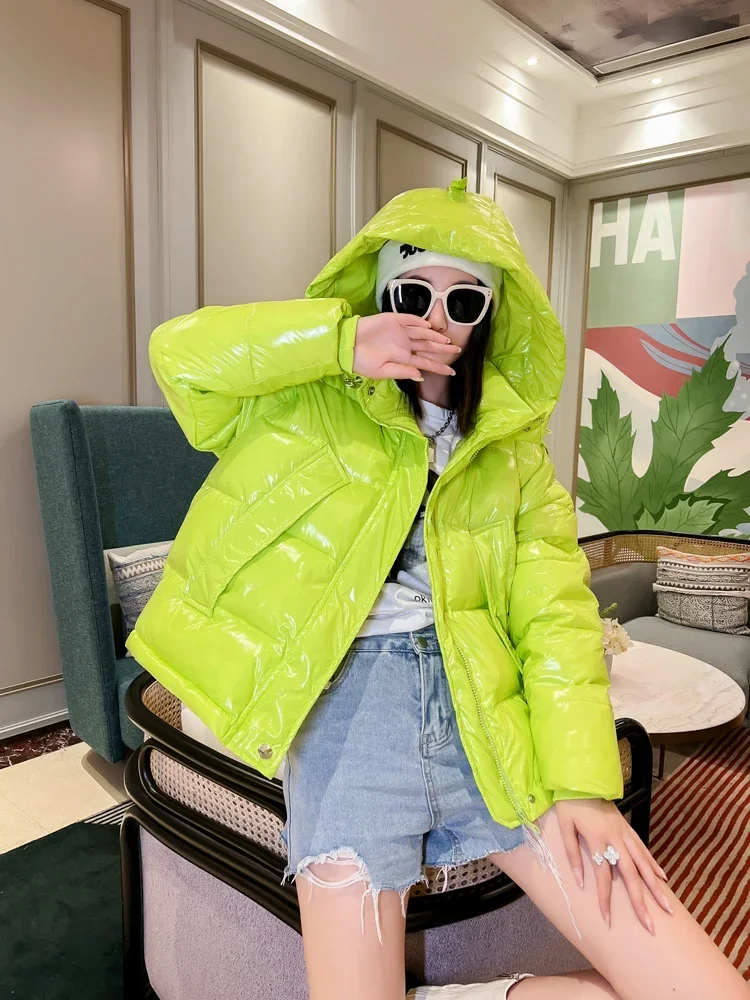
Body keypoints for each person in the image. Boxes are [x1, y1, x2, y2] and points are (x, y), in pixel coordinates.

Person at [128, 179, 749, 1000]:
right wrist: (339, 342)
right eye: (412, 293)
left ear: (488, 316)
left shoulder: (515, 456)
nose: (434, 319)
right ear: (380, 293)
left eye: (463, 301)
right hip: (351, 724)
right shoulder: (301, 404)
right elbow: (179, 355)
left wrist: (583, 785)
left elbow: (556, 616)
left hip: (490, 722)